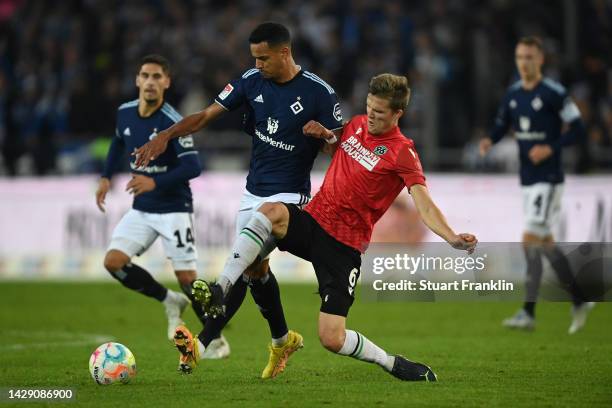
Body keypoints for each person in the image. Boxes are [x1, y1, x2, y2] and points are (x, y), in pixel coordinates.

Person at [184, 73, 477, 381]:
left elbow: (424, 204)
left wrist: (452, 237)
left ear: (397, 114)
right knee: (269, 213)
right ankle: (220, 289)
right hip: (314, 220)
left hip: (343, 246)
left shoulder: (403, 152)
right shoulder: (356, 125)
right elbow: (336, 148)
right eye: (369, 107)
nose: (372, 116)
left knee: (331, 338)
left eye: (379, 113)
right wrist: (325, 135)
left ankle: (392, 363)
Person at [134, 23, 344, 377]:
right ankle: (282, 341)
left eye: (264, 58)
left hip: (290, 196)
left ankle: (202, 341)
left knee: (243, 267)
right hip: (253, 192)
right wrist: (166, 136)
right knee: (256, 271)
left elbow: (338, 150)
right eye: (254, 58)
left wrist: (324, 135)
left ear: (284, 53)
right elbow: (204, 116)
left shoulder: (319, 92)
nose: (258, 64)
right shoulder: (250, 80)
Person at [96, 55, 229, 358]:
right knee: (113, 262)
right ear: (137, 80)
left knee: (188, 280)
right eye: (146, 75)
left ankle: (216, 338)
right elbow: (118, 142)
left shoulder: (172, 122)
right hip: (142, 207)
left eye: (158, 76)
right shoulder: (125, 113)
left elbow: (193, 167)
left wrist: (155, 182)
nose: (151, 82)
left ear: (167, 82)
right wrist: (106, 177)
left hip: (174, 208)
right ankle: (169, 301)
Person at [479, 36, 593, 334]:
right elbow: (503, 123)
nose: (524, 62)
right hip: (528, 180)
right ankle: (580, 296)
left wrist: (550, 148)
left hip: (549, 179)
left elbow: (579, 129)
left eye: (530, 57)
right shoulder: (513, 94)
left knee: (530, 239)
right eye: (520, 57)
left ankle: (528, 313)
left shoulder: (555, 93)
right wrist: (491, 138)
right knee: (545, 243)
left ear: (540, 60)